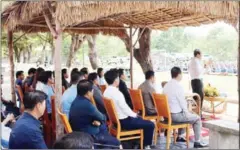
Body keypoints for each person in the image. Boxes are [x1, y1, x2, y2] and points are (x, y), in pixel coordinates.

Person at [103, 70, 155, 149]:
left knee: (141, 120)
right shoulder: (117, 93)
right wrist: (135, 115)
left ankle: (138, 142)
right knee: (150, 124)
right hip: (124, 121)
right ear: (116, 80)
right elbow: (125, 109)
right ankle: (145, 146)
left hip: (115, 121)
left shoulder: (105, 92)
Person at [163, 67, 208, 148]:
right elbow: (182, 103)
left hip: (166, 116)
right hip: (174, 117)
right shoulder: (178, 86)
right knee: (196, 118)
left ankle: (180, 136)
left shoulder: (166, 86)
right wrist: (188, 114)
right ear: (179, 75)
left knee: (184, 113)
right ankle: (197, 141)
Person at [69, 80, 120, 149]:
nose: (93, 92)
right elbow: (102, 118)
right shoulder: (87, 105)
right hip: (88, 137)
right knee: (116, 142)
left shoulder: (76, 101)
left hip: (79, 132)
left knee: (102, 127)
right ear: (88, 93)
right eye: (92, 90)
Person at [188, 49, 205, 116]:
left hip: (193, 81)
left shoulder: (191, 61)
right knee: (200, 97)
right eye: (201, 54)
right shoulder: (196, 61)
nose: (201, 56)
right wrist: (205, 67)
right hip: (197, 81)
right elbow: (199, 72)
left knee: (195, 97)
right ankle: (198, 113)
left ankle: (196, 112)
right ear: (197, 54)